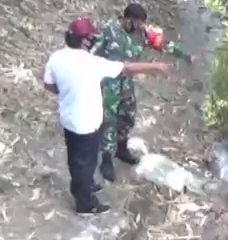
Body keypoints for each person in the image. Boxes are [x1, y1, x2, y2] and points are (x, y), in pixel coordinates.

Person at [43, 17, 169, 214]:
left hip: (68, 119)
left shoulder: (56, 58)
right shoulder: (92, 63)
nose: (94, 39)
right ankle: (85, 204)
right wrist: (156, 67)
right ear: (84, 40)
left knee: (75, 158)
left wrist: (68, 90)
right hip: (86, 123)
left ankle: (82, 187)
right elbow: (125, 69)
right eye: (91, 36)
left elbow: (49, 85)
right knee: (87, 162)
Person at [92, 2, 193, 182]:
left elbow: (163, 45)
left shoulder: (143, 33)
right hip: (108, 83)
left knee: (127, 116)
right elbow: (90, 54)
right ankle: (106, 159)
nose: (140, 27)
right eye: (137, 23)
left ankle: (121, 149)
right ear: (127, 19)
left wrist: (186, 55)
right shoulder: (108, 31)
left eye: (141, 24)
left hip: (126, 83)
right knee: (108, 121)